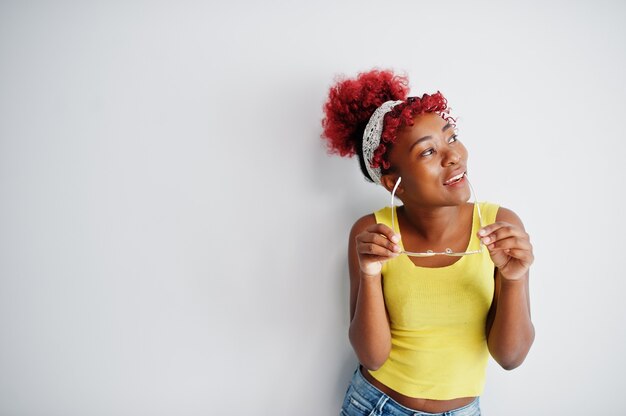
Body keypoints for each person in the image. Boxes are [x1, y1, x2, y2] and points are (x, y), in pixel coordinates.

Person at [321, 69, 535, 416]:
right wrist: (371, 273)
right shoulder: (373, 232)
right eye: (427, 152)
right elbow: (372, 356)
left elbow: (510, 357)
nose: (452, 156)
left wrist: (514, 278)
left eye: (451, 138)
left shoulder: (500, 226)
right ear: (395, 183)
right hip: (375, 405)